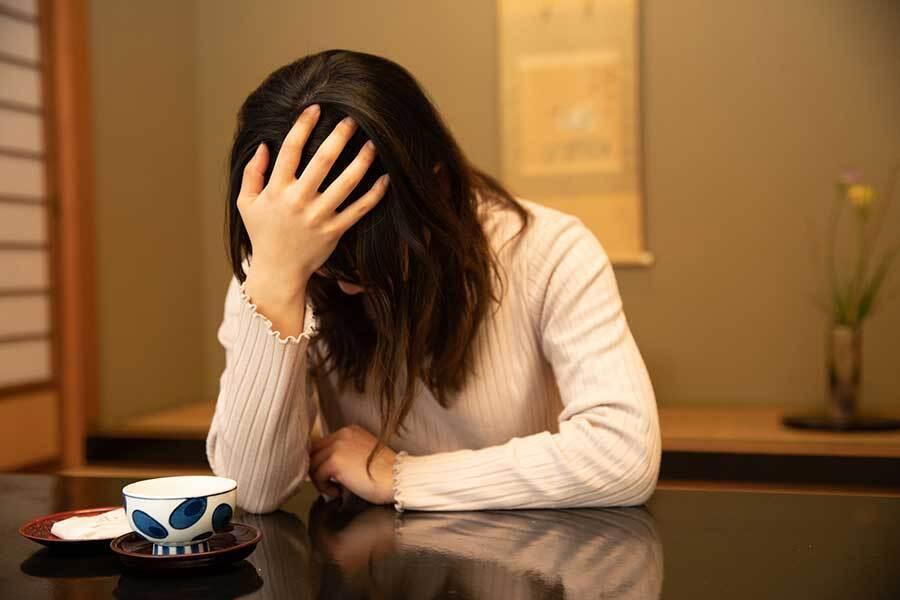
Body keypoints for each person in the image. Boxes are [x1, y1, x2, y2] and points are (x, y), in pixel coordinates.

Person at [206, 49, 661, 514]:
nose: (344, 289)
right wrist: (278, 281)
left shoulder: (548, 250)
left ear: (435, 189)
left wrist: (400, 476)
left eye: (362, 268)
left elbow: (623, 456)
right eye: (327, 268)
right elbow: (253, 491)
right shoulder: (280, 259)